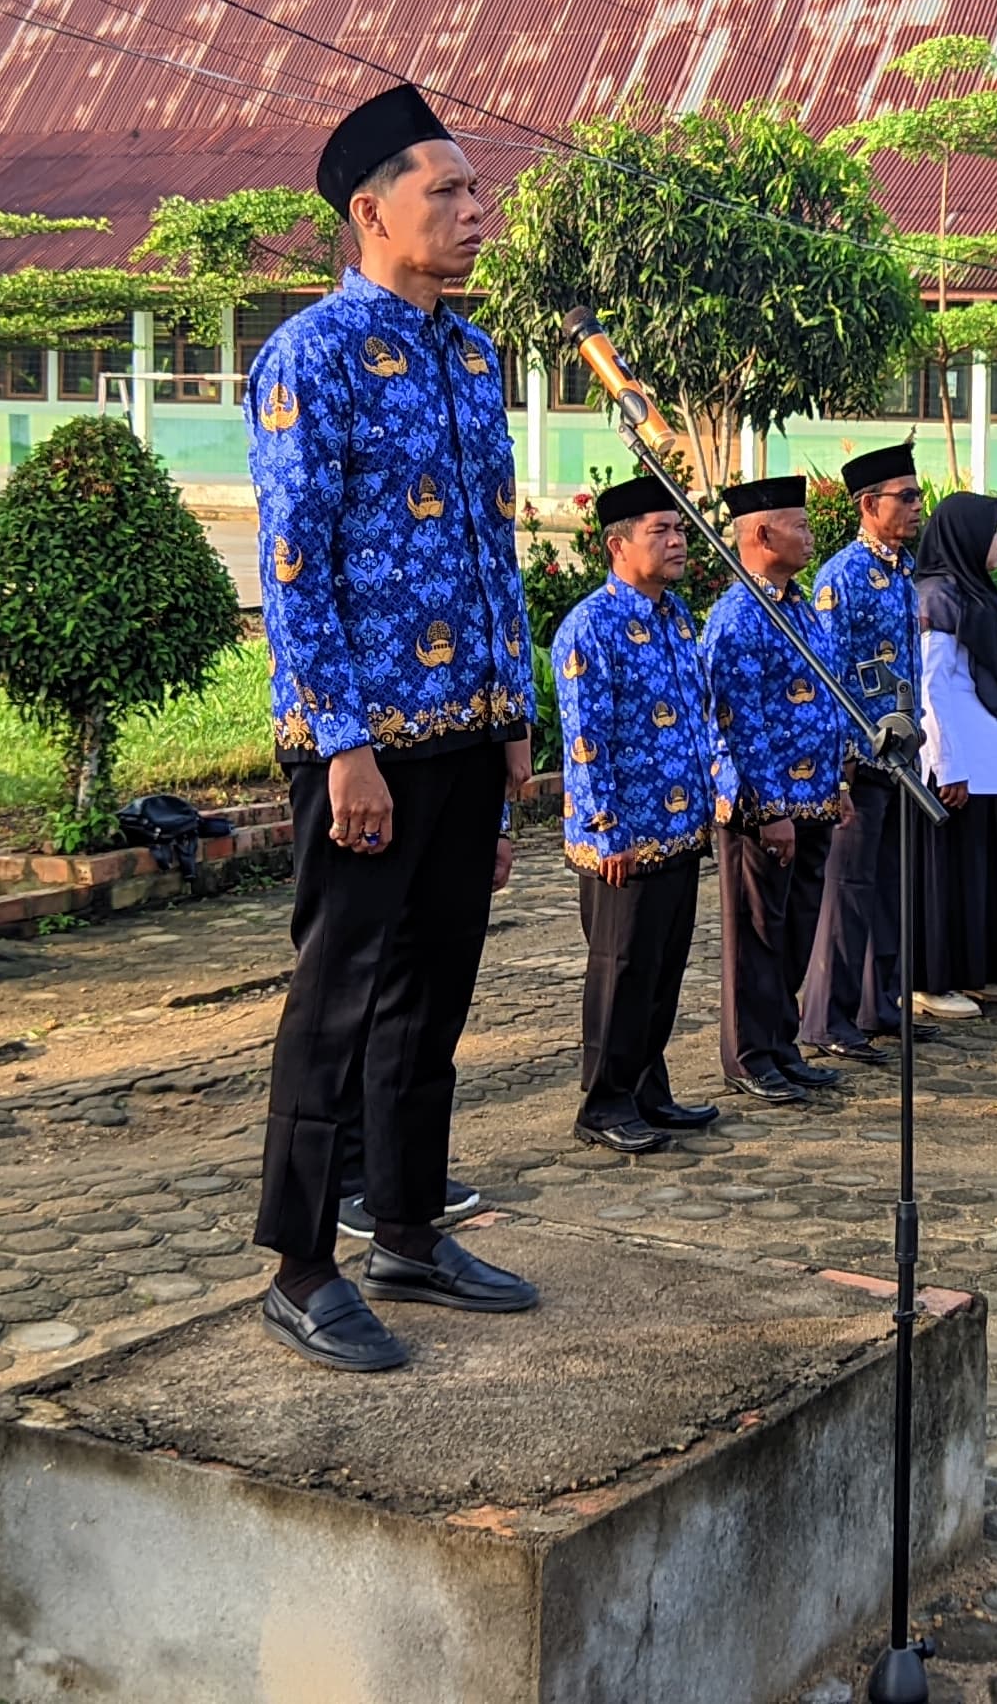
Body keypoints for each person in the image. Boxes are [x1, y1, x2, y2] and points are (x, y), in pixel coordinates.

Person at [244, 79, 538, 1374]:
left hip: (469, 734)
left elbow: (498, 548)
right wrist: (343, 741)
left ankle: (409, 1227)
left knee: (435, 993)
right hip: (365, 742)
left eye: (478, 194)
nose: (478, 214)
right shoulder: (310, 356)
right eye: (449, 194)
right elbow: (294, 560)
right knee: (340, 998)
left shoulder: (475, 359)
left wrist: (517, 717)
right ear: (371, 211)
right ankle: (303, 1264)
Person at [555, 473, 726, 1154]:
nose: (679, 540)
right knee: (620, 971)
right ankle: (603, 1102)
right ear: (617, 546)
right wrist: (605, 831)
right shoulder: (590, 628)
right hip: (623, 838)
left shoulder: (676, 616)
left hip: (679, 828)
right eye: (663, 530)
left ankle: (648, 1089)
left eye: (681, 528)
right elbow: (584, 742)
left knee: (663, 969)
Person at [703, 473, 854, 1106]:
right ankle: (749, 1054)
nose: (809, 534)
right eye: (799, 524)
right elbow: (735, 723)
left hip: (814, 797)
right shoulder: (741, 614)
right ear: (762, 534)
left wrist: (838, 778)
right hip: (763, 809)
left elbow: (824, 695)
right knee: (756, 935)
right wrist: (766, 810)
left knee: (794, 931)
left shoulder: (795, 605)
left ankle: (782, 1043)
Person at [802, 444, 927, 1063]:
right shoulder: (840, 578)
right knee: (848, 888)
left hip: (901, 755)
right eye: (904, 497)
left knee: (889, 890)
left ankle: (880, 1005)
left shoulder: (904, 569)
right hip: (860, 757)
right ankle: (827, 1017)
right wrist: (842, 763)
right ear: (867, 505)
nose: (916, 506)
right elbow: (828, 676)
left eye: (917, 495)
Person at [915, 491, 997, 1011]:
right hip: (963, 761)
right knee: (954, 873)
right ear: (965, 536)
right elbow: (932, 688)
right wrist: (947, 763)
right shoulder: (938, 598)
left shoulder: (984, 592)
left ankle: (980, 970)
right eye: (992, 530)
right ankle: (934, 982)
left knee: (987, 871)